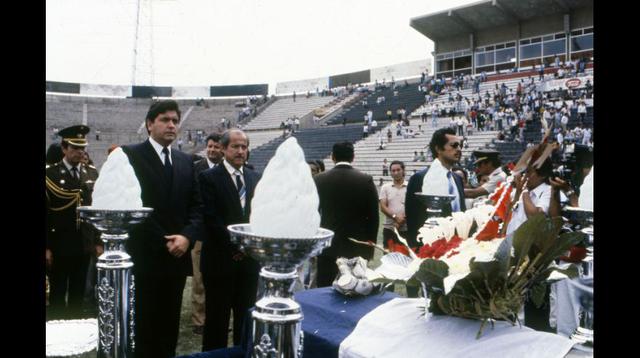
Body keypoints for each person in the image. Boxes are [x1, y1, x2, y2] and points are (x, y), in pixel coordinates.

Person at [122, 100, 203, 357]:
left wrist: (187, 237)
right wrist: (165, 240)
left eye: (175, 121)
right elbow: (131, 204)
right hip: (145, 255)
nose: (171, 125)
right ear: (149, 124)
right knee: (144, 325)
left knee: (169, 326)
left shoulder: (185, 161)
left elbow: (197, 206)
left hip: (176, 257)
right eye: (165, 120)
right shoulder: (130, 155)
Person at [199, 129, 261, 350]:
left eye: (244, 147)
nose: (241, 151)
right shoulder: (208, 178)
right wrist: (237, 244)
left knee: (246, 319)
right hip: (220, 261)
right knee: (217, 320)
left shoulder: (255, 177)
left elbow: (260, 214)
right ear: (224, 149)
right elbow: (210, 218)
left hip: (249, 263)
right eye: (235, 146)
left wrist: (247, 247)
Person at [46, 125, 102, 320]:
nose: (80, 152)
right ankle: (55, 335)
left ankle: (75, 334)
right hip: (59, 244)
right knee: (58, 293)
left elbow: (96, 211)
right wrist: (47, 247)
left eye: (82, 148)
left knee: (79, 293)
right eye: (75, 148)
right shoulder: (50, 174)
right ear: (64, 148)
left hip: (83, 244)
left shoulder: (92, 174)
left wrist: (98, 241)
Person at [314, 142, 379, 287]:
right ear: (353, 157)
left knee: (325, 289)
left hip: (327, 246)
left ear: (332, 157)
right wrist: (369, 249)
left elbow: (312, 214)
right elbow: (373, 217)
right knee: (354, 290)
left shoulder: (319, 179)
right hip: (356, 248)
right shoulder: (365, 180)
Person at [405, 128, 466, 249]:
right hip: (431, 248)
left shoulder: (457, 179)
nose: (459, 149)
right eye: (454, 145)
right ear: (438, 149)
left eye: (460, 145)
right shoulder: (420, 178)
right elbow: (413, 219)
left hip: (458, 245)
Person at [189, 133, 224, 335]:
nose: (211, 150)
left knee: (218, 278)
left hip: (221, 232)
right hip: (201, 232)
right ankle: (199, 320)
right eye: (209, 146)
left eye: (216, 147)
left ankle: (216, 316)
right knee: (199, 278)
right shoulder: (196, 169)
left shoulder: (227, 171)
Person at [379, 161, 409, 255]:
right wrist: (396, 218)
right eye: (393, 171)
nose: (395, 173)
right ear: (390, 172)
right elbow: (383, 206)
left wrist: (402, 220)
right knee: (388, 258)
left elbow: (413, 206)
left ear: (403, 170)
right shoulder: (385, 187)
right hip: (389, 228)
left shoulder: (410, 186)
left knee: (406, 258)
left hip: (407, 229)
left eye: (398, 170)